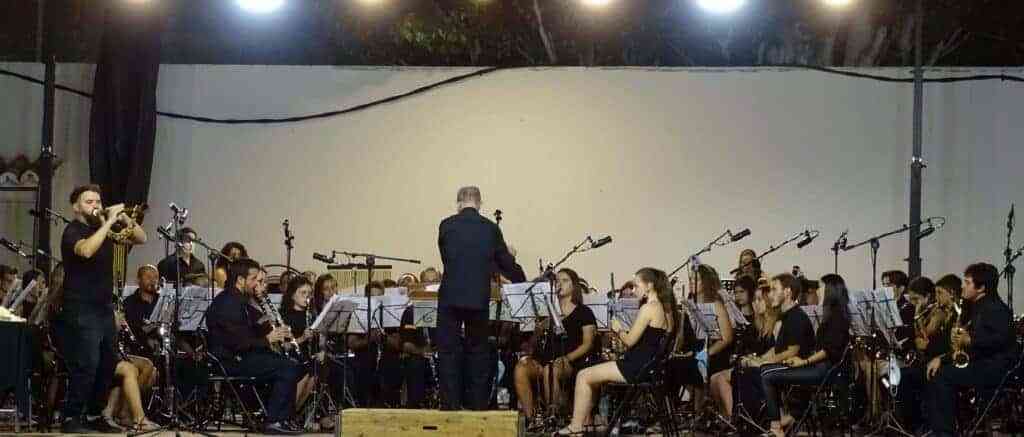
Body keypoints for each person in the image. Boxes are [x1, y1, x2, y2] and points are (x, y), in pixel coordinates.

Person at [59, 184, 146, 433]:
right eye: (89, 201)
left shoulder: (104, 226)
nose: (95, 205)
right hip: (80, 306)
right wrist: (107, 223)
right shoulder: (72, 231)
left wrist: (122, 216)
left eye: (98, 200)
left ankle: (96, 414)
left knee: (107, 363)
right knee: (87, 362)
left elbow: (141, 238)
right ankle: (71, 417)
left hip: (104, 307)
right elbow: (86, 251)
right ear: (76, 206)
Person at [436, 186, 525, 410]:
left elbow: (448, 258)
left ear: (458, 203)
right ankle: (477, 407)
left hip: (450, 297)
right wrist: (515, 269)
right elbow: (504, 264)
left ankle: (450, 406)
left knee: (448, 352)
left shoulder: (446, 225)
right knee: (478, 352)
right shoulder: (490, 229)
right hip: (478, 298)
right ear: (480, 203)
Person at [559, 267, 676, 435]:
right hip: (647, 367)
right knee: (589, 374)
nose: (634, 290)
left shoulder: (649, 307)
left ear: (649, 286)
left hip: (635, 367)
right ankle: (585, 421)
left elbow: (629, 341)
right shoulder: (664, 308)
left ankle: (576, 427)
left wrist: (618, 328)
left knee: (583, 376)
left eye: (636, 285)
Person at [206, 258, 303, 435]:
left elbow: (257, 324)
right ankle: (275, 420)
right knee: (287, 367)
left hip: (242, 356)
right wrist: (267, 339)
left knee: (288, 362)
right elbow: (237, 342)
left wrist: (273, 324)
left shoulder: (240, 299)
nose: (257, 284)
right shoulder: (227, 303)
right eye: (254, 280)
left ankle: (284, 418)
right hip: (230, 361)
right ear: (240, 280)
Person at [926, 263, 1015, 437]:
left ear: (981, 287)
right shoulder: (974, 306)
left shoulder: (996, 308)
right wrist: (944, 357)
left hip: (994, 369)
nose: (962, 286)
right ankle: (939, 427)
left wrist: (970, 340)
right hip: (979, 362)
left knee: (942, 376)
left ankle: (945, 432)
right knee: (934, 370)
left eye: (967, 283)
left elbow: (1003, 340)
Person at [761, 274, 851, 437]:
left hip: (826, 371)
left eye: (820, 287)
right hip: (819, 367)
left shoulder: (837, 317)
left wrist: (804, 361)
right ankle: (788, 418)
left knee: (767, 375)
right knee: (767, 371)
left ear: (830, 290)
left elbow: (828, 350)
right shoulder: (829, 315)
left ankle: (776, 428)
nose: (816, 291)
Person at [514, 268, 598, 418]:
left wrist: (567, 358)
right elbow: (533, 345)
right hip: (544, 360)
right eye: (557, 281)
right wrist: (538, 331)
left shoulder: (584, 312)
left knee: (550, 370)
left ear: (574, 286)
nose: (559, 284)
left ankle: (553, 417)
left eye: (565, 280)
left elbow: (588, 343)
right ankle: (531, 418)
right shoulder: (547, 310)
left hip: (569, 362)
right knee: (521, 368)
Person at [278, 276, 319, 413]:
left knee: (317, 369)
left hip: (308, 356)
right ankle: (287, 412)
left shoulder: (311, 315)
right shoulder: (284, 316)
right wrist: (302, 338)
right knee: (305, 370)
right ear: (292, 295)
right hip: (291, 357)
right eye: (303, 293)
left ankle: (295, 412)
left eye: (309, 293)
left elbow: (317, 343)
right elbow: (284, 346)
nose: (307, 297)